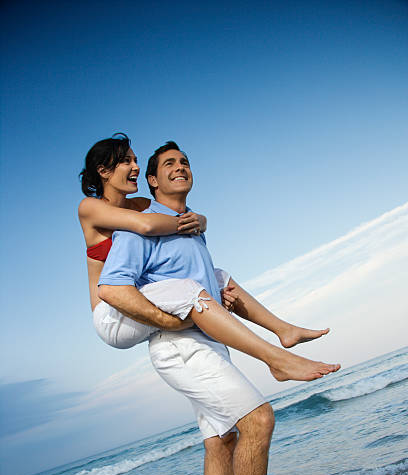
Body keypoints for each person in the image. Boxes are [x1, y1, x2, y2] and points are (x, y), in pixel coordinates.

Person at [97, 140, 341, 475]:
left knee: (220, 442)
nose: (180, 167)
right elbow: (113, 287)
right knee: (259, 420)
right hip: (181, 348)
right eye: (168, 164)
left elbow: (202, 283)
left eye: (185, 162)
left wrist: (210, 293)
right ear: (152, 181)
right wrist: (170, 321)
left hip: (209, 344)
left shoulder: (191, 226)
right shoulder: (139, 227)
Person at [80, 134, 337, 380]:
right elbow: (147, 226)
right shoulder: (90, 207)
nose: (134, 166)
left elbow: (170, 219)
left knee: (218, 276)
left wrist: (201, 221)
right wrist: (197, 222)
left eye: (135, 160)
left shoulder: (138, 204)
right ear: (104, 171)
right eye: (126, 161)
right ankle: (275, 360)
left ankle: (284, 330)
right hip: (113, 313)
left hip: (141, 297)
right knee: (189, 289)